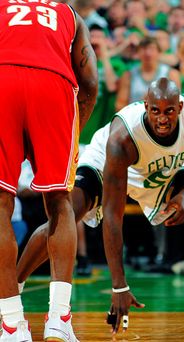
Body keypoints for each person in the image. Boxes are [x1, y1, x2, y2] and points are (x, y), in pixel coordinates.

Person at [17, 78, 184, 337]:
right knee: (65, 215)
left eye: (169, 111)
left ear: (180, 107)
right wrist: (119, 286)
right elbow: (112, 216)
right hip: (106, 162)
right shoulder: (121, 138)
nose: (163, 118)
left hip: (160, 169)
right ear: (146, 107)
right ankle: (11, 289)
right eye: (155, 111)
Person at [0, 0, 98, 341]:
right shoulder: (69, 14)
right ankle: (59, 318)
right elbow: (91, 83)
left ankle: (11, 323)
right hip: (53, 87)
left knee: (0, 204)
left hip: (3, 80)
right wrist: (71, 135)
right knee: (59, 201)